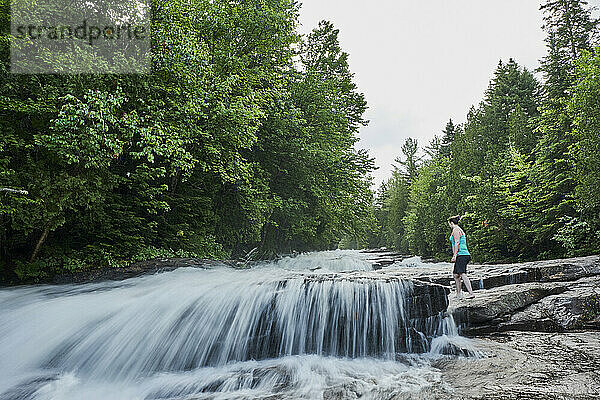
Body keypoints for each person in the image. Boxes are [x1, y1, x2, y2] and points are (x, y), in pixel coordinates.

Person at [448, 215, 474, 299]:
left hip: (461, 254)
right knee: (456, 275)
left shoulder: (455, 230)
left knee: (462, 273)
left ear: (451, 223)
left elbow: (457, 242)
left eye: (449, 224)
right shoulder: (459, 229)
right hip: (463, 254)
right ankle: (459, 294)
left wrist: (454, 255)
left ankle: (471, 293)